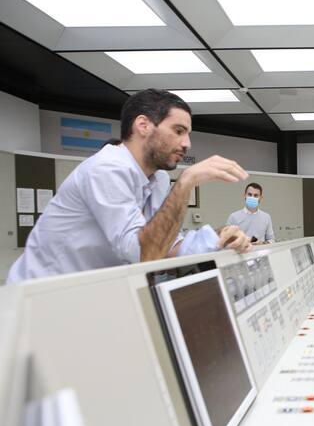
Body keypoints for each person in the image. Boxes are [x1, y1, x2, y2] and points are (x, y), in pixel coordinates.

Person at [6, 89, 251, 283]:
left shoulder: (158, 179)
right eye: (178, 131)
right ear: (143, 125)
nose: (187, 143)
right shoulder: (106, 169)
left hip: (89, 295)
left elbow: (163, 246)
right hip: (41, 299)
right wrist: (185, 183)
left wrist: (218, 238)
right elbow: (144, 254)